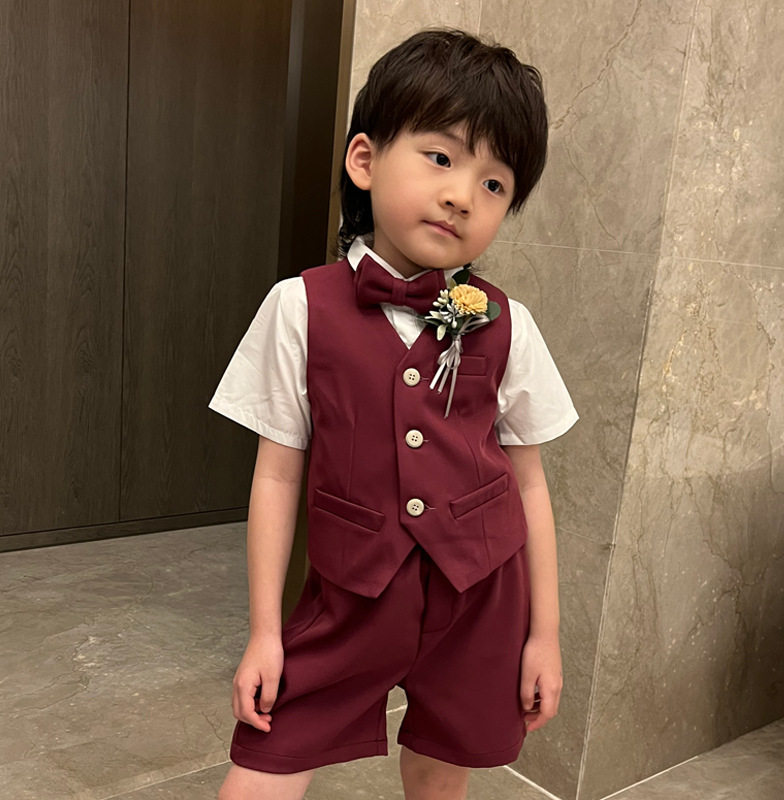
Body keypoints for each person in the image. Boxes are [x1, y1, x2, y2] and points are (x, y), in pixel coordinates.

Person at [210, 28, 578, 800]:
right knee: (264, 766)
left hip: (481, 599)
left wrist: (543, 634)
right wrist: (266, 632)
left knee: (440, 772)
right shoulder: (299, 307)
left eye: (494, 184)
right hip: (351, 594)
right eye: (441, 158)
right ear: (365, 160)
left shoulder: (508, 324)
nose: (462, 195)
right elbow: (277, 477)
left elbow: (529, 484)